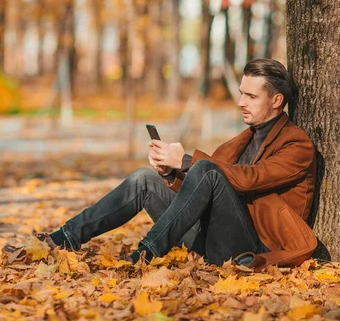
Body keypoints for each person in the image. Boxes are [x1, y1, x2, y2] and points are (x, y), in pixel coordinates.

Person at [38, 59, 317, 270]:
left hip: (253, 248)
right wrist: (172, 172)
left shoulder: (297, 145)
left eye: (251, 97)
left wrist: (185, 161)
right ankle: (64, 237)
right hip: (211, 238)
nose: (240, 102)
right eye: (242, 93)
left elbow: (249, 179)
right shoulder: (241, 141)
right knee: (143, 179)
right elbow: (205, 190)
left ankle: (144, 254)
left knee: (208, 169)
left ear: (277, 100)